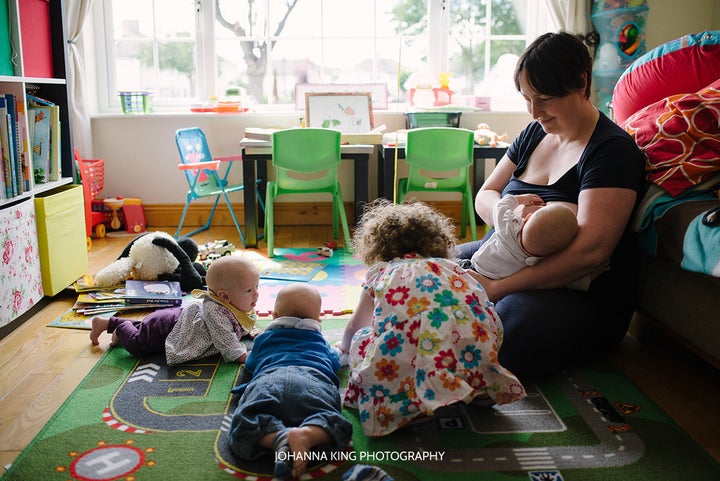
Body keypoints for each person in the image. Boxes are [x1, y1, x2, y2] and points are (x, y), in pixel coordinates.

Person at [456, 31, 646, 378]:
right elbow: (486, 193)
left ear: (581, 83)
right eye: (527, 98)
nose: (534, 111)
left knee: (503, 329)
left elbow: (591, 254)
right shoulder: (534, 132)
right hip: (501, 255)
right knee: (423, 268)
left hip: (576, 292)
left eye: (543, 98)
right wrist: (512, 221)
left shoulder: (611, 151)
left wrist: (496, 287)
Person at [337, 199, 526, 437]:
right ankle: (480, 384)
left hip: (414, 356)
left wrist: (345, 348)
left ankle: (410, 403)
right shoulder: (453, 268)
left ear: (376, 249)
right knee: (463, 325)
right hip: (473, 345)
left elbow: (356, 325)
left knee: (366, 338)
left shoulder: (381, 274)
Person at [227, 283, 352, 481]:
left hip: (269, 380)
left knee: (242, 425)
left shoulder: (264, 339)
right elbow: (336, 362)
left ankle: (279, 437)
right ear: (318, 319)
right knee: (339, 425)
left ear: (275, 316)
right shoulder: (318, 341)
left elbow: (250, 365)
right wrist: (340, 349)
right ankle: (308, 434)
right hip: (314, 380)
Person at [89, 255, 261, 365]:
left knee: (145, 328)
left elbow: (240, 322)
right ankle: (121, 327)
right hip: (166, 328)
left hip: (176, 322)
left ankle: (107, 323)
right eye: (249, 290)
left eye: (257, 287)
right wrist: (241, 355)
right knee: (139, 345)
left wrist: (252, 331)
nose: (256, 294)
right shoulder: (215, 311)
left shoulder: (233, 303)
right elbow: (226, 340)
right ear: (224, 296)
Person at [470, 193, 590, 290]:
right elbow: (566, 276)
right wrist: (588, 277)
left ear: (527, 218)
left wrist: (519, 199)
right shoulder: (540, 260)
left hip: (474, 268)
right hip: (495, 284)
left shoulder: (509, 228)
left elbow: (500, 206)